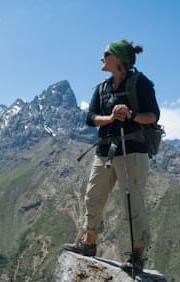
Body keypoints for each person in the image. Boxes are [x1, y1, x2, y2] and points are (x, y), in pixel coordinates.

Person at [63, 39, 160, 273]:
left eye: (105, 53)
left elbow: (153, 116)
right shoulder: (102, 88)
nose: (101, 57)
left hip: (133, 149)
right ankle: (88, 244)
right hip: (105, 150)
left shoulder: (141, 83)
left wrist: (131, 114)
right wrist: (111, 118)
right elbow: (90, 118)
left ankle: (137, 256)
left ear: (118, 59)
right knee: (92, 197)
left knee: (133, 202)